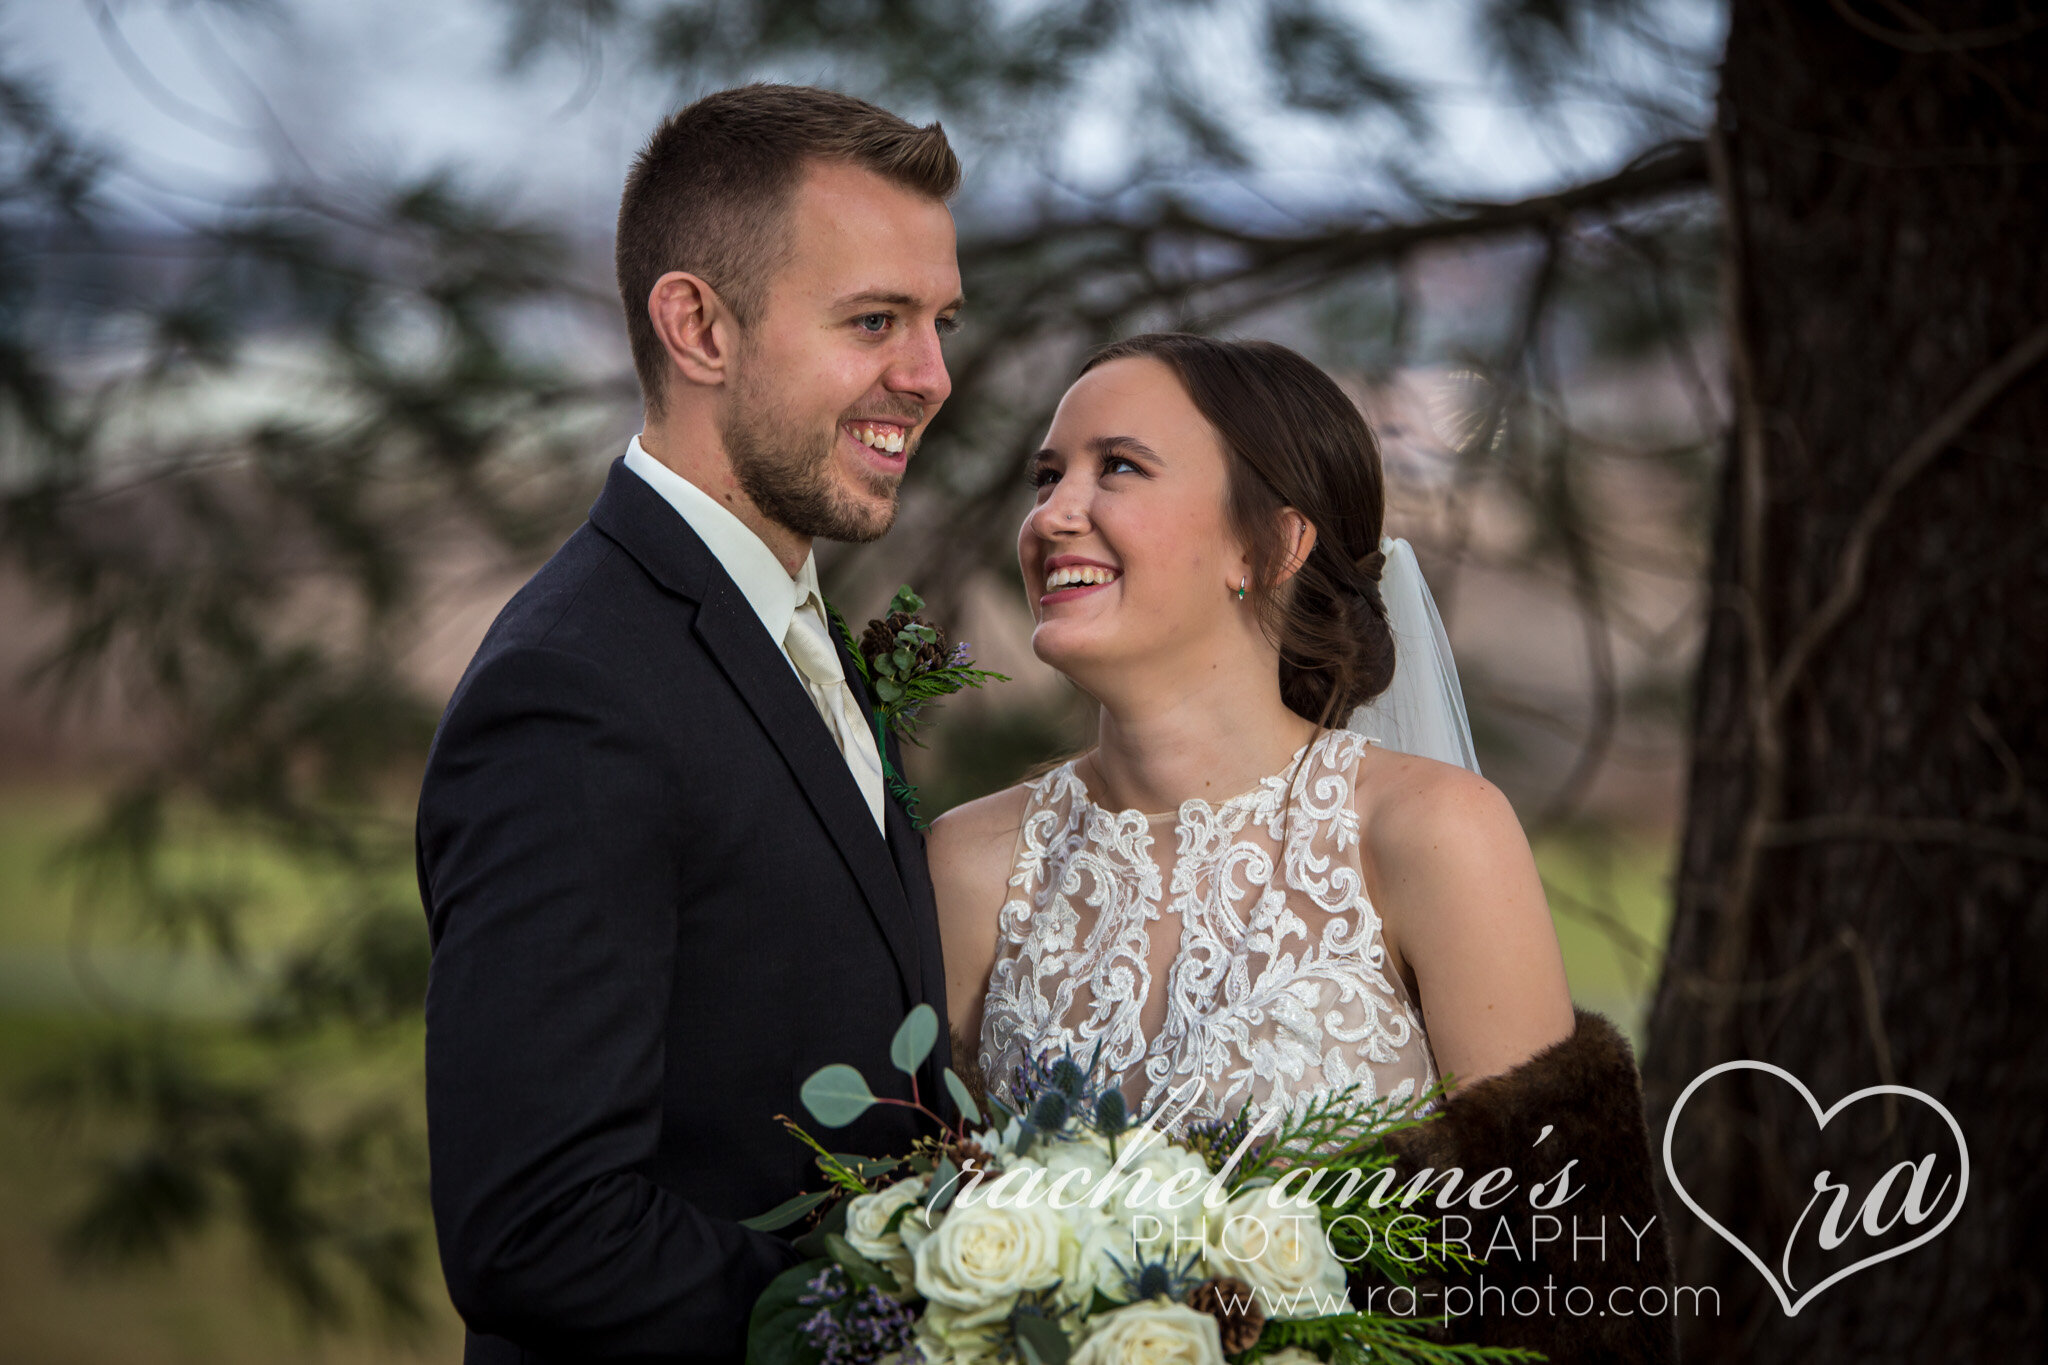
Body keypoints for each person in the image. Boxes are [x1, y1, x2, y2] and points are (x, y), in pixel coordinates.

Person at [928, 332, 1677, 1361]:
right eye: (1046, 476)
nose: (1053, 514)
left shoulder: (1428, 834)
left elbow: (1571, 1277)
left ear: (1269, 546)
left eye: (1119, 469)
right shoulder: (968, 865)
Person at [415, 85, 964, 1364]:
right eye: (873, 320)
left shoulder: (780, 625)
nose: (929, 377)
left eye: (940, 322)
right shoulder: (572, 693)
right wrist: (921, 1326)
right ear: (697, 326)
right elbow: (539, 1232)